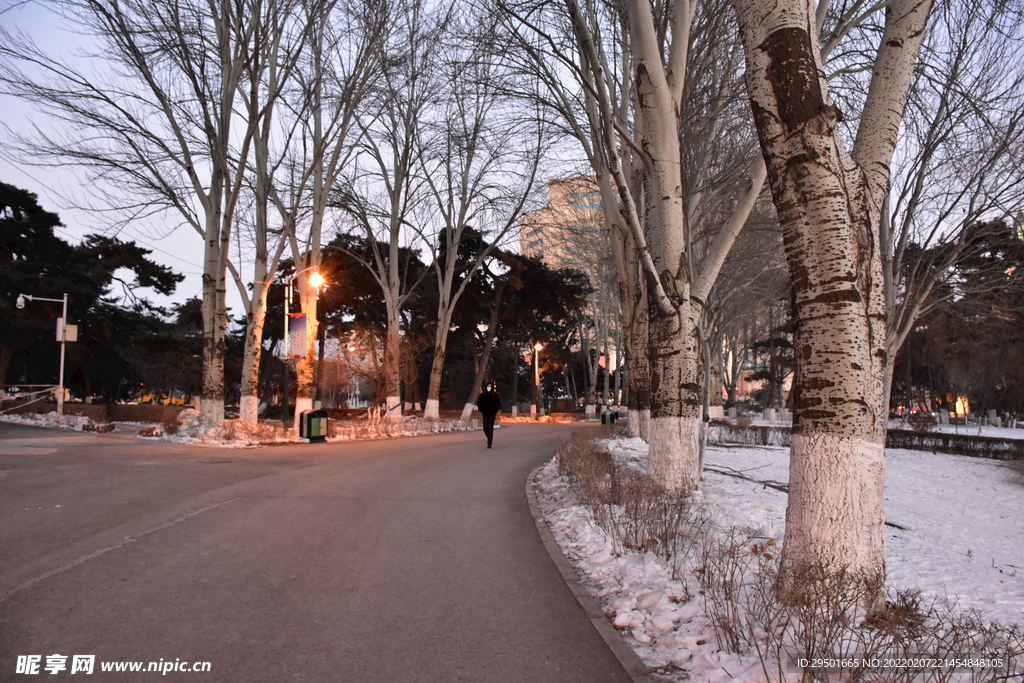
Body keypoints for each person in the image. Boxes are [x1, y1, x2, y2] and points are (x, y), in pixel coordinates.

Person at [476, 381, 502, 448]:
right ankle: (489, 437)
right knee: (485, 428)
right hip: (485, 413)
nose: (489, 388)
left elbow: (498, 404)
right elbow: (479, 404)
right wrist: (481, 410)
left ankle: (489, 443)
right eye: (488, 386)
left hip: (492, 414)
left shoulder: (495, 395)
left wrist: (495, 411)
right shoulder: (482, 395)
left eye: (490, 386)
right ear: (485, 387)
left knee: (490, 428)